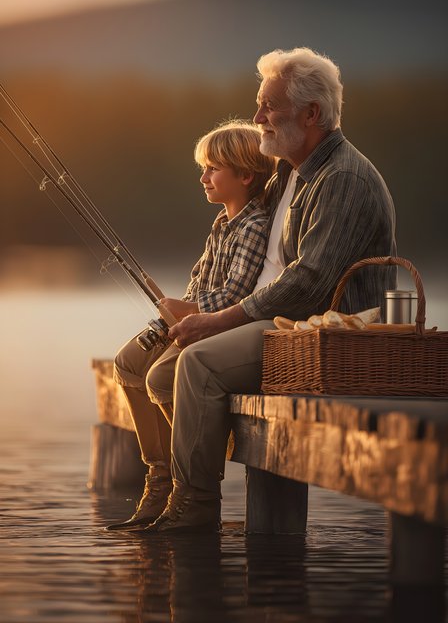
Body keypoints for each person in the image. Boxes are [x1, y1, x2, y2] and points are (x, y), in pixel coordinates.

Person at [144, 46, 397, 534]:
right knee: (157, 374)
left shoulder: (342, 178)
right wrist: (203, 306)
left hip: (320, 335)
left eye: (268, 107)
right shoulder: (289, 171)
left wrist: (218, 320)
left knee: (198, 364)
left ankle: (195, 507)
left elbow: (309, 282)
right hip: (278, 322)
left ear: (311, 114)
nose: (257, 118)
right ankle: (170, 486)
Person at [107, 120, 275, 529]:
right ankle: (160, 477)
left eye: (212, 169)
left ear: (245, 175)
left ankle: (186, 481)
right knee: (127, 364)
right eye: (204, 169)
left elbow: (237, 294)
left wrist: (189, 309)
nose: (203, 178)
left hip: (220, 329)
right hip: (195, 320)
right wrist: (173, 313)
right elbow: (198, 282)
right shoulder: (220, 225)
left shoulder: (255, 226)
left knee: (160, 379)